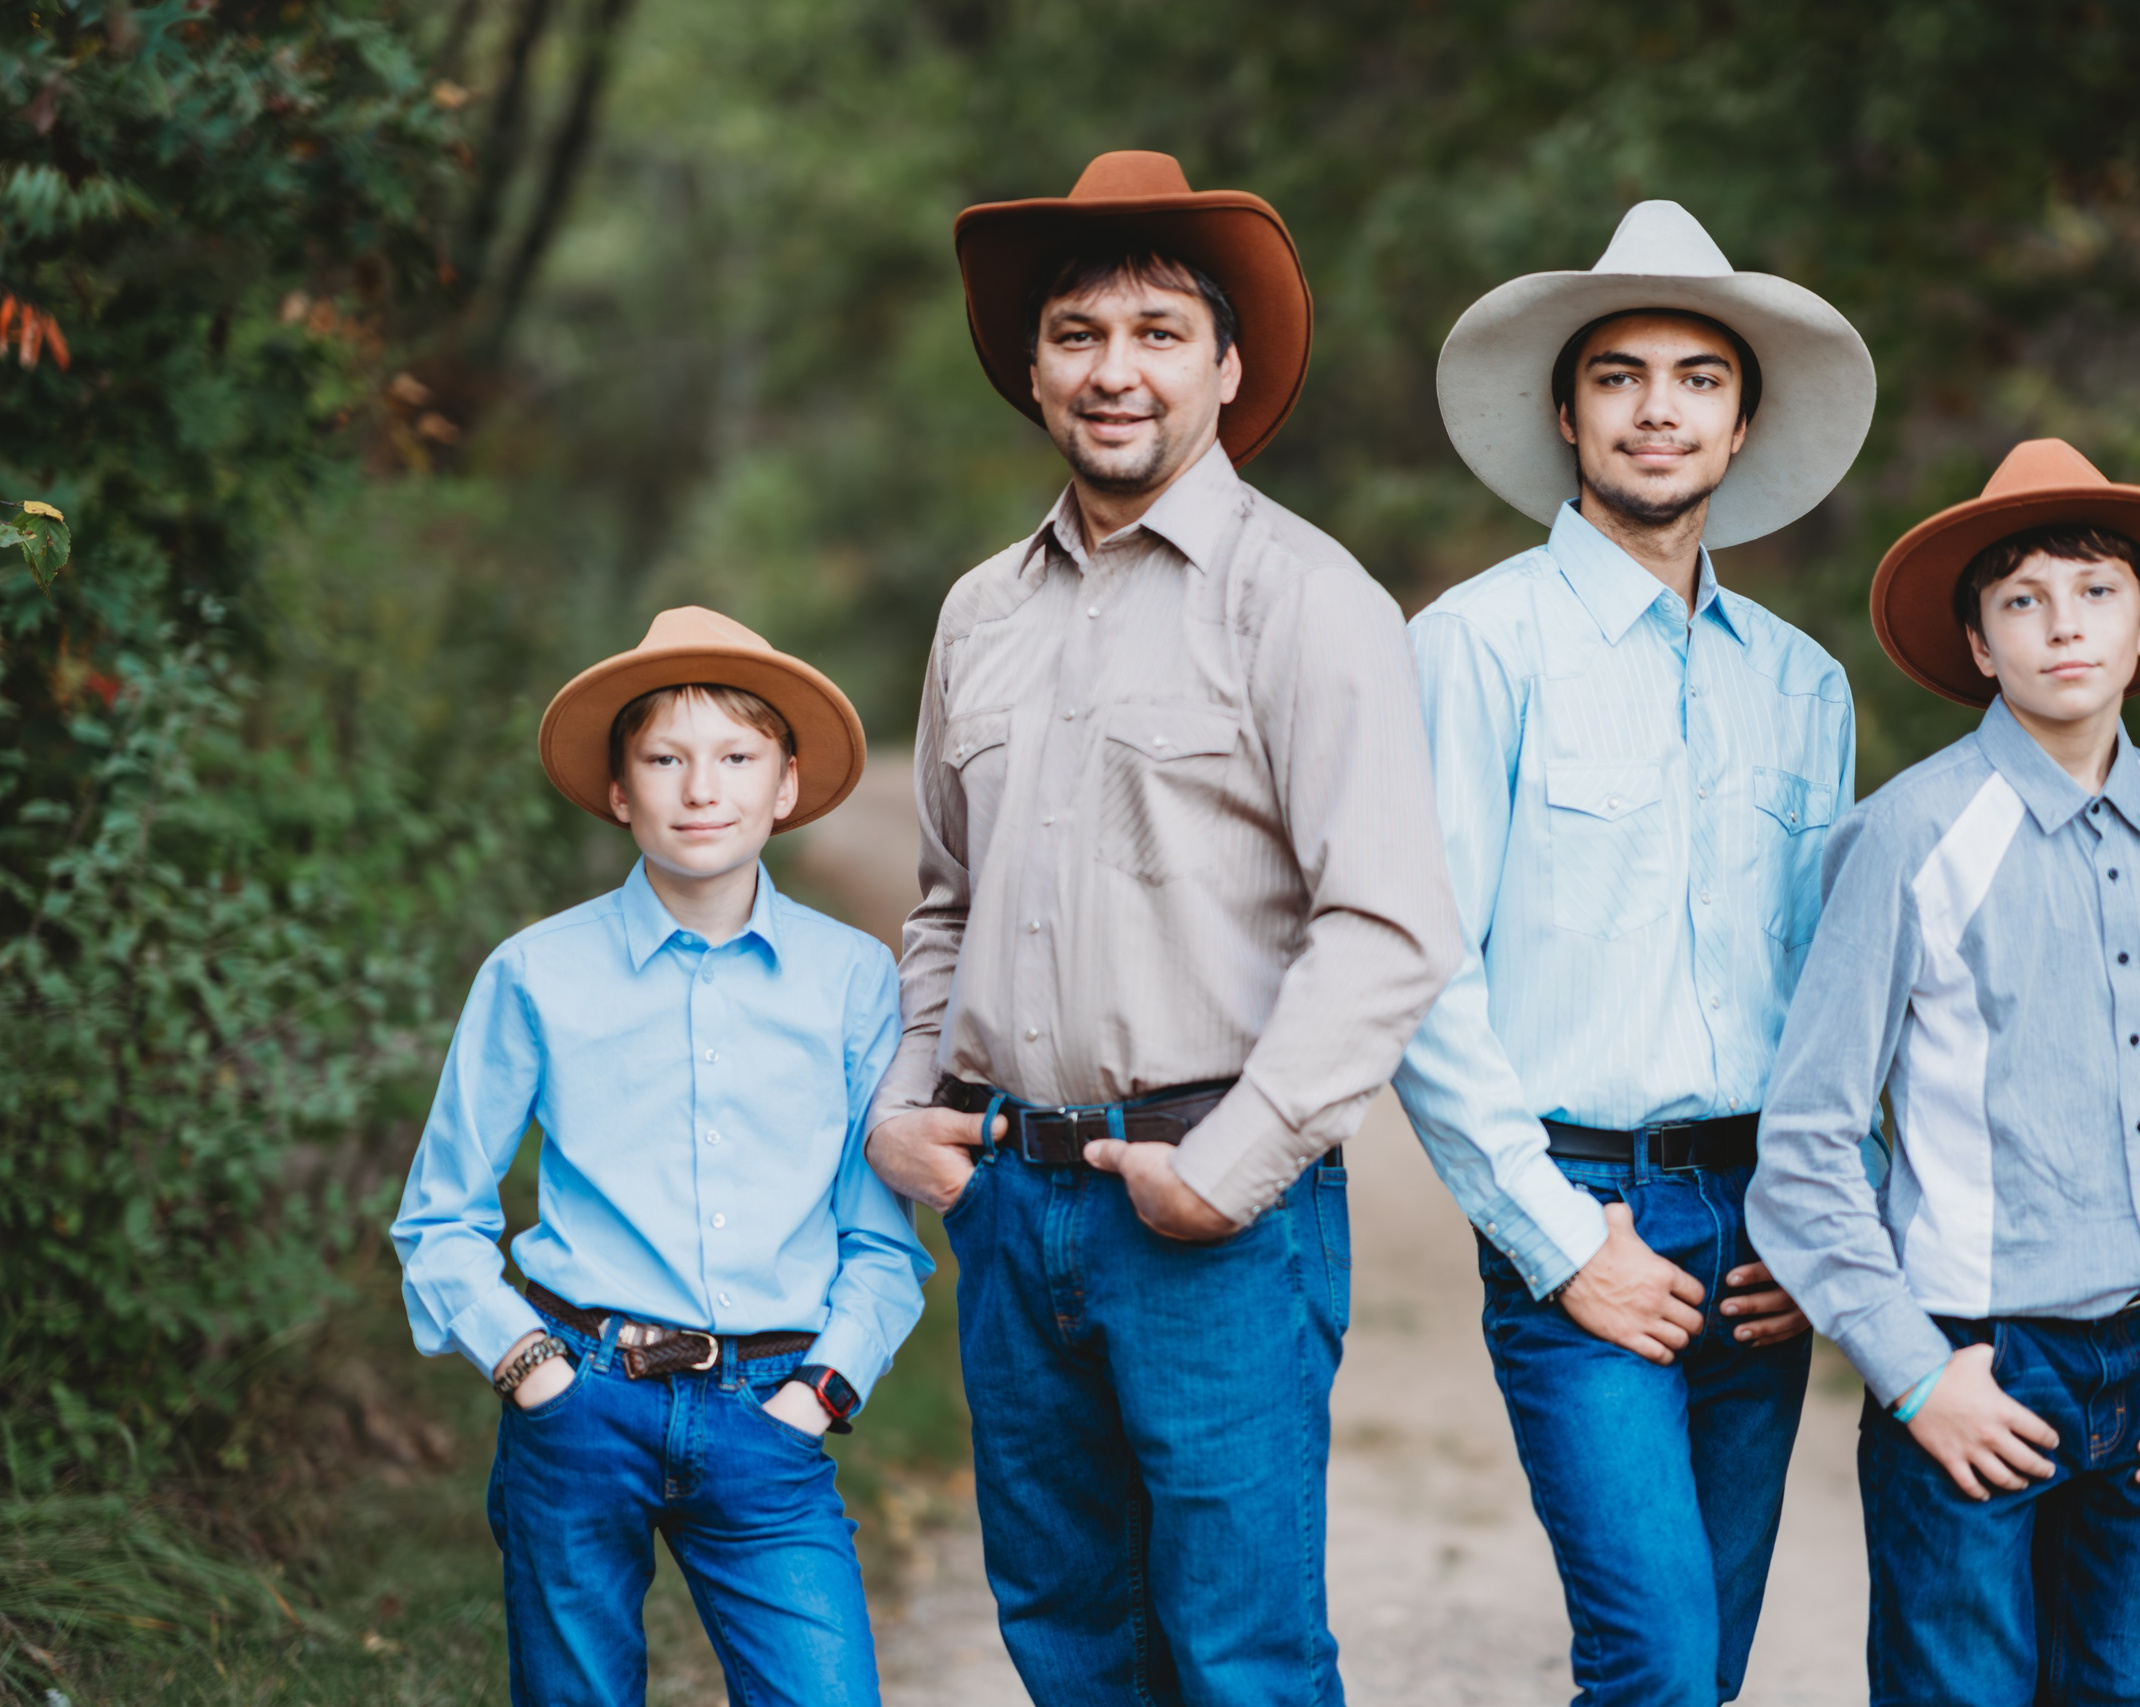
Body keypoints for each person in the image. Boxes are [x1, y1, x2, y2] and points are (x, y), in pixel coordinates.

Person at [860, 150, 1461, 1707]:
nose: (1113, 369)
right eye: (1076, 334)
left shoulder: (1304, 598)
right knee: (1070, 1636)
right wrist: (911, 1100)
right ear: (1034, 370)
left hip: (1214, 1214)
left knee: (1241, 1655)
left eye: (1157, 331)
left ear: (1226, 366)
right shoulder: (979, 613)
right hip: (1012, 1206)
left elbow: (1388, 925)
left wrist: (1228, 1167)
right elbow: (946, 897)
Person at [1393, 201, 1877, 1704]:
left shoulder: (1804, 684)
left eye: (1698, 378)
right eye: (1618, 375)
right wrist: (1558, 1240)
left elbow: (1837, 993)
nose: (1657, 408)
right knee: (1654, 1659)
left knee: (1706, 1668)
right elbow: (1421, 970)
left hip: (1765, 1226)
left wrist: (1821, 1222)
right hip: (1581, 1207)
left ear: (1740, 424)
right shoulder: (1475, 646)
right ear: (1566, 414)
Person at [1747, 439, 2140, 1705]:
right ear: (1979, 643)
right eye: (2022, 599)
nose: (2063, 624)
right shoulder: (1910, 835)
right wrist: (1912, 1370)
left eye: (2097, 591)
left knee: (2128, 1691)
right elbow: (1810, 1138)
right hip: (1977, 1364)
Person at [390, 607, 930, 1707]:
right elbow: (439, 1218)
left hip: (773, 1413)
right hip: (578, 1403)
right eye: (665, 759)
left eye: (737, 757)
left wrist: (821, 1391)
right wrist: (529, 1370)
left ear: (785, 786)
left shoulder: (853, 979)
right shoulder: (535, 973)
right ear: (619, 789)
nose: (701, 790)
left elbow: (879, 1238)